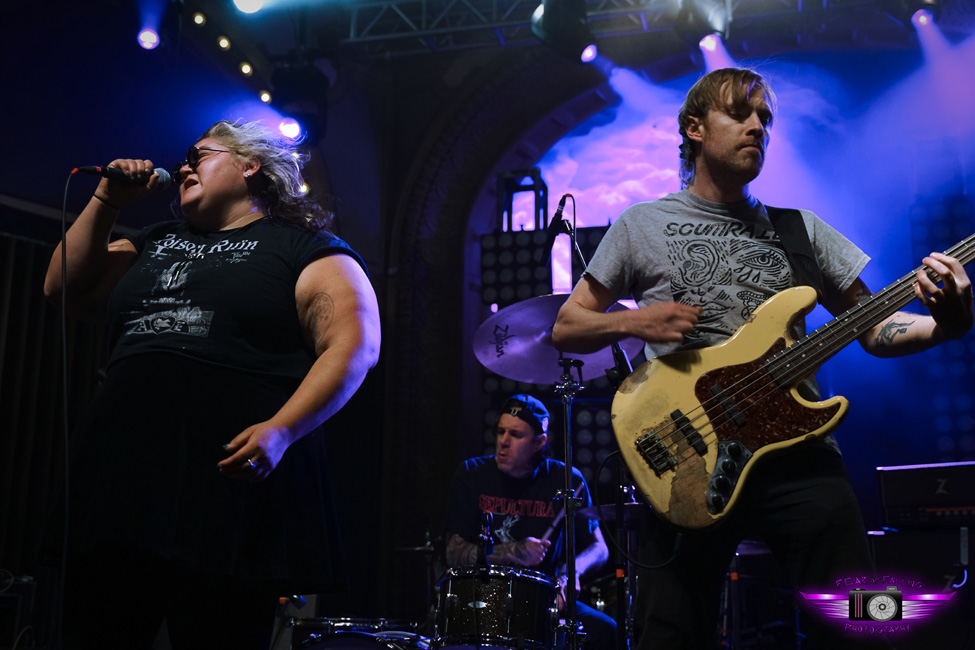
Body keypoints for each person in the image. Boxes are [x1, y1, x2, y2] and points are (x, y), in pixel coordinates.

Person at [550, 67, 973, 649]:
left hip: (798, 452)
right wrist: (633, 321)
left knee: (859, 620)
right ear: (695, 128)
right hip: (688, 452)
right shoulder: (641, 224)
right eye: (739, 114)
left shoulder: (801, 231)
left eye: (765, 119)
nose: (757, 128)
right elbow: (567, 326)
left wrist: (949, 323)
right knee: (670, 634)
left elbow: (875, 329)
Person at [43, 120, 381, 649]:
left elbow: (354, 346)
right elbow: (61, 287)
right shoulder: (154, 241)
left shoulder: (306, 249)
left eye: (198, 155)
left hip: (225, 488)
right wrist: (107, 200)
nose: (183, 166)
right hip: (120, 476)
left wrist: (283, 429)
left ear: (250, 166)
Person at [443, 394, 617, 650]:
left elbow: (599, 547)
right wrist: (514, 551)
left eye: (515, 435)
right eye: (500, 431)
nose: (503, 441)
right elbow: (452, 552)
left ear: (539, 442)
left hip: (543, 601)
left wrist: (572, 572)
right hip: (481, 596)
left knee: (607, 630)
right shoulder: (471, 473)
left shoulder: (566, 479)